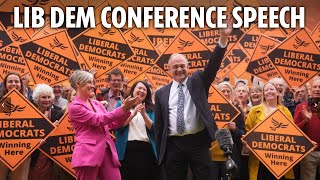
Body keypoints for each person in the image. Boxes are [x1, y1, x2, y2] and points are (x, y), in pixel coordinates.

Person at [154, 19, 232, 180]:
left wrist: (223, 38)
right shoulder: (161, 93)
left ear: (188, 67)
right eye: (175, 67)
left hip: (199, 142)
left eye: (182, 65)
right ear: (169, 70)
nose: (179, 69)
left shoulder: (198, 80)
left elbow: (213, 64)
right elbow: (159, 125)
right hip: (173, 145)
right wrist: (162, 150)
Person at [68, 70, 138, 180]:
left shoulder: (96, 103)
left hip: (107, 151)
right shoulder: (74, 107)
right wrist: (123, 109)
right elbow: (100, 120)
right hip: (87, 154)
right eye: (89, 82)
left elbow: (111, 124)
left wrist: (126, 110)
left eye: (92, 82)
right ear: (78, 84)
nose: (93, 86)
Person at [245, 82, 295, 180]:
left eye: (271, 89)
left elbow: (293, 134)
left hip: (280, 160)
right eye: (266, 90)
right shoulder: (254, 111)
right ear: (263, 94)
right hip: (259, 160)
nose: (269, 92)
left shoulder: (285, 111)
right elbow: (247, 130)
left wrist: (307, 143)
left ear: (277, 92)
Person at [115, 80, 159, 180]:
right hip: (125, 150)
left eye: (144, 89)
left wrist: (143, 113)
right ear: (133, 90)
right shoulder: (122, 104)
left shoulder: (152, 107)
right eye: (139, 88)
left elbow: (154, 129)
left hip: (146, 151)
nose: (142, 91)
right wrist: (133, 114)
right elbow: (118, 126)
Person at [28, 84, 65, 180]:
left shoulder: (58, 113)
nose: (47, 100)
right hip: (34, 155)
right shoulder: (30, 112)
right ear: (37, 98)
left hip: (51, 157)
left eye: (49, 97)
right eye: (43, 97)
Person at [214, 81, 246, 180]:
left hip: (231, 154)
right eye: (223, 91)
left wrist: (235, 129)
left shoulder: (237, 111)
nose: (226, 94)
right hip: (212, 153)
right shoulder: (210, 109)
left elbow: (243, 134)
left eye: (228, 91)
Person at [0, 72, 29, 180]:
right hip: (2, 151)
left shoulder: (28, 104)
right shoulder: (2, 102)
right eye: (10, 81)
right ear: (5, 84)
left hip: (22, 152)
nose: (13, 84)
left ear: (21, 84)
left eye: (16, 81)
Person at [294, 77, 320, 180]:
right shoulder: (301, 107)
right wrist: (305, 121)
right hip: (309, 152)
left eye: (319, 87)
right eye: (315, 87)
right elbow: (294, 130)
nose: (317, 89)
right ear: (310, 90)